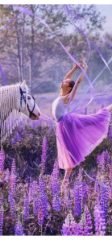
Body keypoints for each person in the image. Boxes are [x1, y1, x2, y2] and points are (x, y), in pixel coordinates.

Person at [52, 61, 112, 189]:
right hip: (61, 126)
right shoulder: (61, 94)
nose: (63, 82)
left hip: (67, 124)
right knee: (68, 154)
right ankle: (65, 182)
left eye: (65, 83)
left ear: (68, 88)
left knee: (95, 119)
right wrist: (74, 68)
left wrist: (84, 70)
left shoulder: (67, 97)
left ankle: (108, 109)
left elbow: (77, 83)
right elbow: (66, 78)